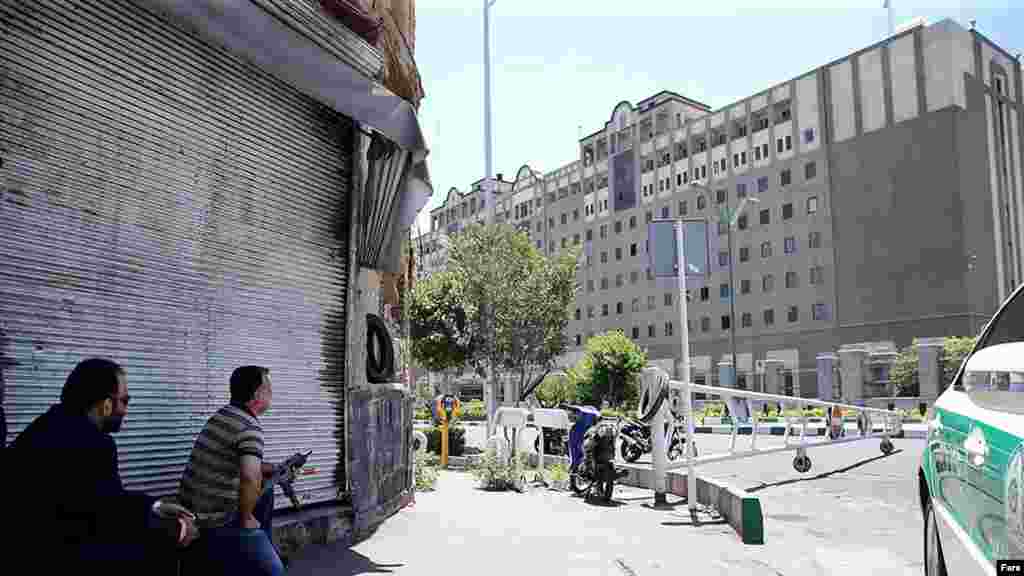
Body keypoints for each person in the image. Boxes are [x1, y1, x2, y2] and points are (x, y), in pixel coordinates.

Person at [4, 358, 198, 571]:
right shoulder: (94, 444)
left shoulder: (48, 423)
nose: (125, 410)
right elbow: (108, 517)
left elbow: (101, 498)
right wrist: (176, 530)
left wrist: (157, 506)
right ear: (106, 404)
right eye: (125, 401)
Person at [178, 366, 285, 575]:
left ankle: (255, 553)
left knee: (266, 491)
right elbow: (249, 476)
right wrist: (246, 518)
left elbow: (228, 460)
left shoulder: (223, 415)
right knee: (275, 571)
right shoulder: (250, 427)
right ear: (256, 394)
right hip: (214, 518)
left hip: (191, 506)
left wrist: (270, 468)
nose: (272, 392)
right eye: (268, 388)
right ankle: (258, 555)